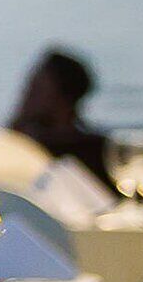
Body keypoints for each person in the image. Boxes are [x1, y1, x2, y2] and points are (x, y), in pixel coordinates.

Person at [7, 49, 111, 188]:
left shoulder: (91, 150)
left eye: (37, 87)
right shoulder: (25, 142)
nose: (27, 92)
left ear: (61, 95)